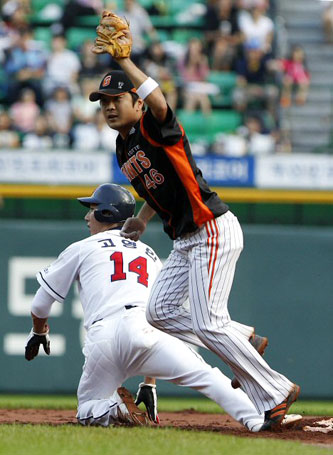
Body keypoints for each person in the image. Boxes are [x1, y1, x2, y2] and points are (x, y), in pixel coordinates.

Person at [89, 11, 300, 431]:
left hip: (211, 229)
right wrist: (144, 219)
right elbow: (154, 189)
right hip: (184, 240)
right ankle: (242, 338)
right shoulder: (122, 146)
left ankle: (274, 391)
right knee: (159, 312)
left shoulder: (155, 126)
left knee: (207, 321)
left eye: (117, 99)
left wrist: (128, 62)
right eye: (104, 102)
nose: (110, 107)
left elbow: (162, 102)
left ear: (135, 101)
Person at [24, 183, 301, 429]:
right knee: (208, 377)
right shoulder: (149, 253)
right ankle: (255, 419)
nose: (87, 216)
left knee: (88, 407)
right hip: (150, 331)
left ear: (106, 214)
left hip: (105, 335)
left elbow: (41, 304)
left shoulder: (83, 247)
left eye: (93, 208)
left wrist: (39, 331)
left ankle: (116, 409)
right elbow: (162, 315)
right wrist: (150, 381)